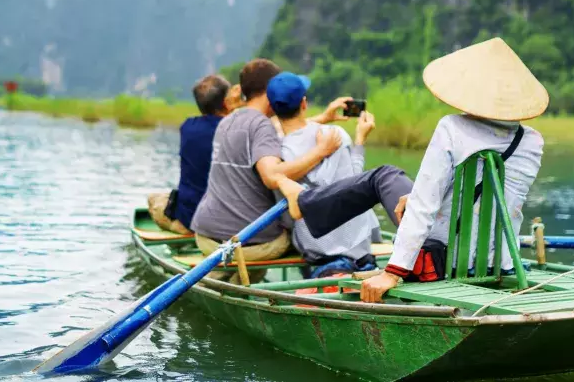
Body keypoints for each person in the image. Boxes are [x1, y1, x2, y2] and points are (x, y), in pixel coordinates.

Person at [281, 38, 547, 303]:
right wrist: (429, 197)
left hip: (443, 260)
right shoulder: (532, 141)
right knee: (396, 185)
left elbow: (423, 208)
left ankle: (302, 204)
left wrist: (393, 272)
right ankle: (304, 203)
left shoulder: (452, 128)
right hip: (498, 261)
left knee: (383, 176)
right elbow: (495, 198)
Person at [189, 58, 353, 283]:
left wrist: (323, 118)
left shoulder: (229, 120)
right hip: (247, 244)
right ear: (270, 90)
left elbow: (272, 130)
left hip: (206, 235)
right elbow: (271, 175)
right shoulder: (262, 126)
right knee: (301, 233)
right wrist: (321, 151)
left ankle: (227, 280)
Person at [267, 72, 394, 278]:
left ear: (272, 109)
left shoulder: (273, 153)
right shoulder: (334, 135)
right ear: (304, 103)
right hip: (358, 249)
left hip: (317, 252)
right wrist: (360, 140)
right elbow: (356, 184)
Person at [147, 75, 233, 234]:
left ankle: (181, 227)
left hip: (190, 215)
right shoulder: (235, 129)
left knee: (154, 199)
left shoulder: (187, 127)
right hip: (226, 218)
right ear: (226, 102)